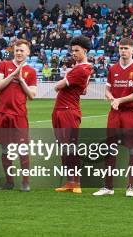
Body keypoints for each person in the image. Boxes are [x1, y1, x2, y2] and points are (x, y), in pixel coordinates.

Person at [93, 38, 133, 197]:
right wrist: (112, 99)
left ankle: (131, 187)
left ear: (132, 50)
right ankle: (108, 187)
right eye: (121, 48)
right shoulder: (113, 69)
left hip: (131, 112)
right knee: (110, 149)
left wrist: (120, 100)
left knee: (132, 149)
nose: (123, 51)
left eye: (126, 48)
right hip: (115, 113)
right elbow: (107, 91)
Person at [0, 39, 38, 192]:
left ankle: (25, 182)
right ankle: (9, 182)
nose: (19, 53)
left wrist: (21, 80)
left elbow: (32, 95)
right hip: (3, 114)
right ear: (13, 51)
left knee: (22, 149)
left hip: (19, 115)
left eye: (22, 50)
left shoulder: (31, 71)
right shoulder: (3, 65)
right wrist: (12, 74)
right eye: (17, 50)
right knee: (5, 149)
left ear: (28, 52)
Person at [53, 36, 94, 194]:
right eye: (72, 51)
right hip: (62, 108)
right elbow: (83, 91)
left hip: (68, 110)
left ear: (85, 50)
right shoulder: (82, 69)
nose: (74, 53)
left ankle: (76, 182)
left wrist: (63, 81)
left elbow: (58, 86)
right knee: (64, 148)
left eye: (77, 50)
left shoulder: (81, 69)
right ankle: (70, 181)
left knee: (70, 147)